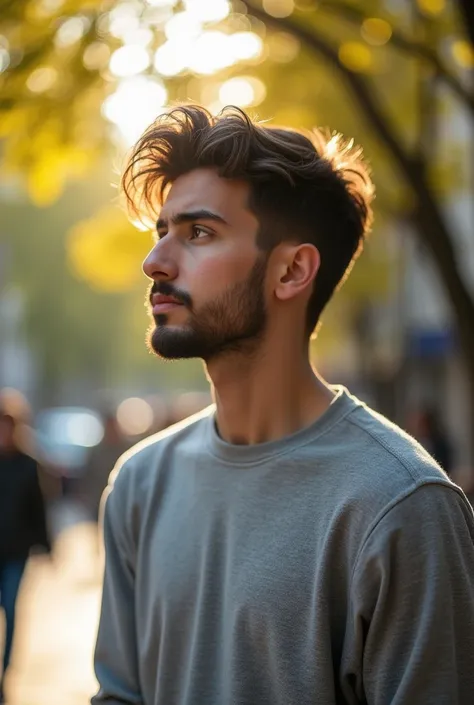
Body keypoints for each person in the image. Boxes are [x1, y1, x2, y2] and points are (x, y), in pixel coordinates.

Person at [92, 106, 474, 705]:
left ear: (292, 271)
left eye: (198, 232)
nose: (155, 262)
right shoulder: (139, 484)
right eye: (159, 231)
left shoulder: (401, 507)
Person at [0, 406, 51, 702]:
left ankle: (5, 673)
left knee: (10, 608)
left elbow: (38, 508)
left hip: (16, 552)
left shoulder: (27, 465)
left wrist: (46, 545)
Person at [79, 412, 130, 523]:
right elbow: (88, 475)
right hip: (99, 499)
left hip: (119, 501)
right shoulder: (97, 452)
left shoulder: (125, 451)